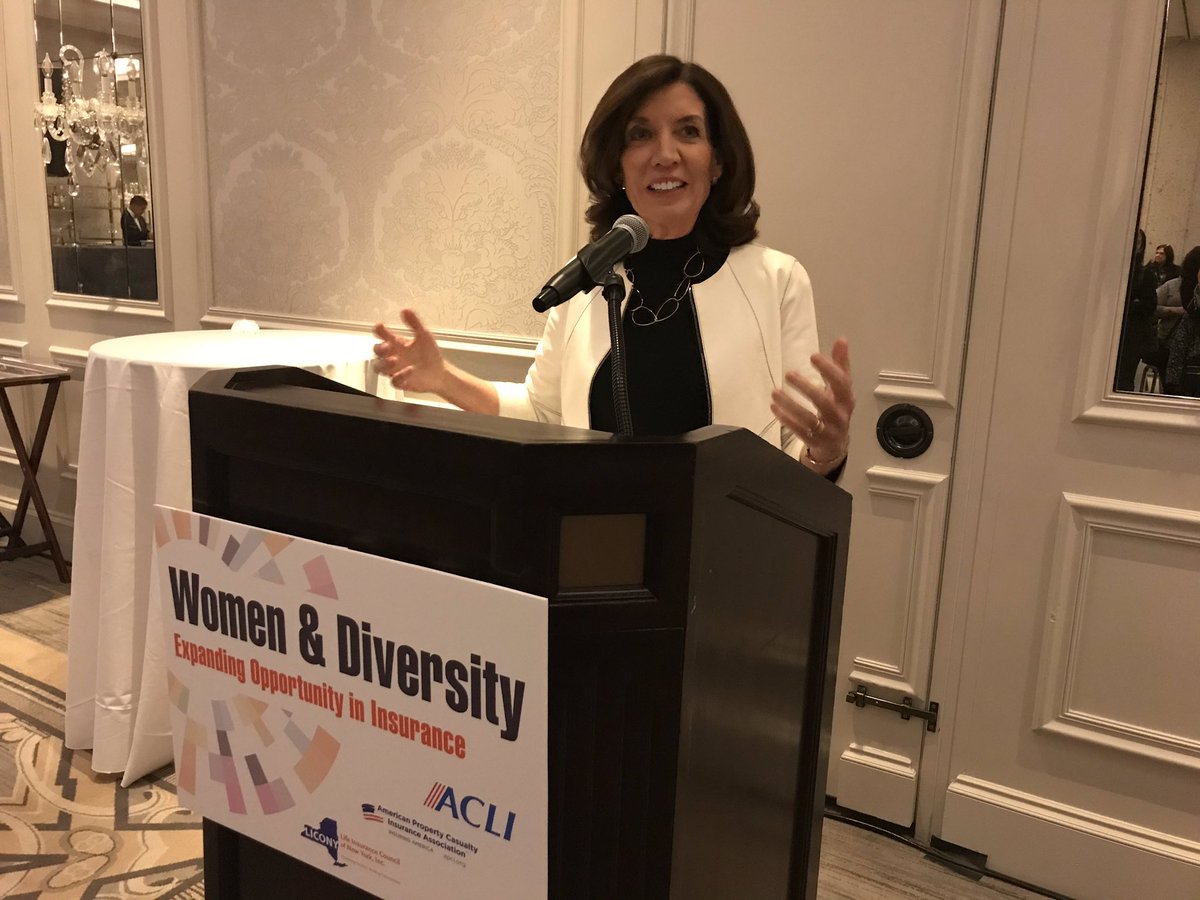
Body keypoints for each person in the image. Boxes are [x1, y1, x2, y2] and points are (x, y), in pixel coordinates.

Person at [373, 55, 854, 476]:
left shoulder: (777, 280)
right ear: (617, 164)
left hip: (725, 538)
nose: (665, 155)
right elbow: (543, 414)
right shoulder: (588, 276)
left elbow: (799, 449)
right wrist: (444, 379)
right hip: (593, 534)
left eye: (688, 131)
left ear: (718, 161)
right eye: (640, 135)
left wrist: (827, 452)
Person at [1115, 229, 1158, 392]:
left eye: (1138, 242)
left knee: (1123, 380)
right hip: (1109, 332)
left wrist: (1128, 304)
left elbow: (1149, 305)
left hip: (1131, 335)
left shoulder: (1145, 274)